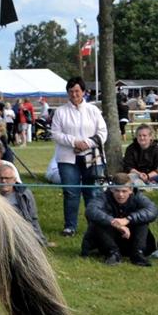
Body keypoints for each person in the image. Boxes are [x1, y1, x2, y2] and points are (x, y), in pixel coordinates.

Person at [51, 76, 108, 237]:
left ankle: (95, 224)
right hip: (68, 158)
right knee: (71, 192)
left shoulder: (93, 110)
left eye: (77, 91)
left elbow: (103, 133)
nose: (74, 94)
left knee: (93, 192)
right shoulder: (60, 112)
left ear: (83, 91)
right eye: (71, 91)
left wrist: (87, 143)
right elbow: (56, 134)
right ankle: (70, 226)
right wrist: (74, 142)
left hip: (92, 157)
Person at [81, 173, 158, 267]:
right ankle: (113, 253)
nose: (120, 194)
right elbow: (91, 210)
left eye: (124, 191)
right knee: (98, 221)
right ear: (111, 189)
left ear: (131, 190)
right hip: (108, 239)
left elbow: (152, 211)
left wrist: (128, 219)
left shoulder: (138, 197)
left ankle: (138, 253)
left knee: (142, 221)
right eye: (117, 190)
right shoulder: (104, 197)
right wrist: (114, 222)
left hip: (132, 239)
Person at [0, 166, 50, 246]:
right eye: (0, 178)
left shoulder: (25, 194)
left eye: (7, 178)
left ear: (14, 180)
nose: (3, 181)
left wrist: (40, 240)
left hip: (20, 231)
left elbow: (33, 218)